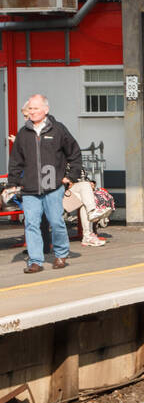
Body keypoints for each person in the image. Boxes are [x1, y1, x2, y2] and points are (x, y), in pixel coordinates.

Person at [8, 94, 81, 273]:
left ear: (45, 110)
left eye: (35, 108)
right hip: (30, 188)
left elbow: (75, 153)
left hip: (53, 186)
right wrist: (14, 182)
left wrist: (70, 177)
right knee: (31, 224)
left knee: (56, 222)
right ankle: (35, 261)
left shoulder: (58, 130)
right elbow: (16, 160)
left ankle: (60, 255)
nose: (32, 112)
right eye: (30, 109)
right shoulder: (23, 133)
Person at [62, 177, 109, 246]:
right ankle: (88, 233)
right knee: (85, 196)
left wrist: (91, 183)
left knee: (86, 192)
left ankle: (88, 235)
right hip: (57, 192)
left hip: (70, 190)